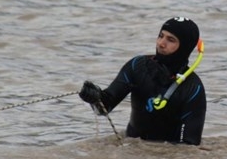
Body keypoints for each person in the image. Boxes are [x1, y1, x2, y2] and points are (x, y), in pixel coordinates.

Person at [79, 17, 206, 145]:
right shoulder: (137, 66)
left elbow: (189, 146)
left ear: (185, 47)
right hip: (132, 147)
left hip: (167, 158)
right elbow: (104, 107)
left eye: (170, 40)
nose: (161, 43)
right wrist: (94, 98)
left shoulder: (193, 89)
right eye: (161, 36)